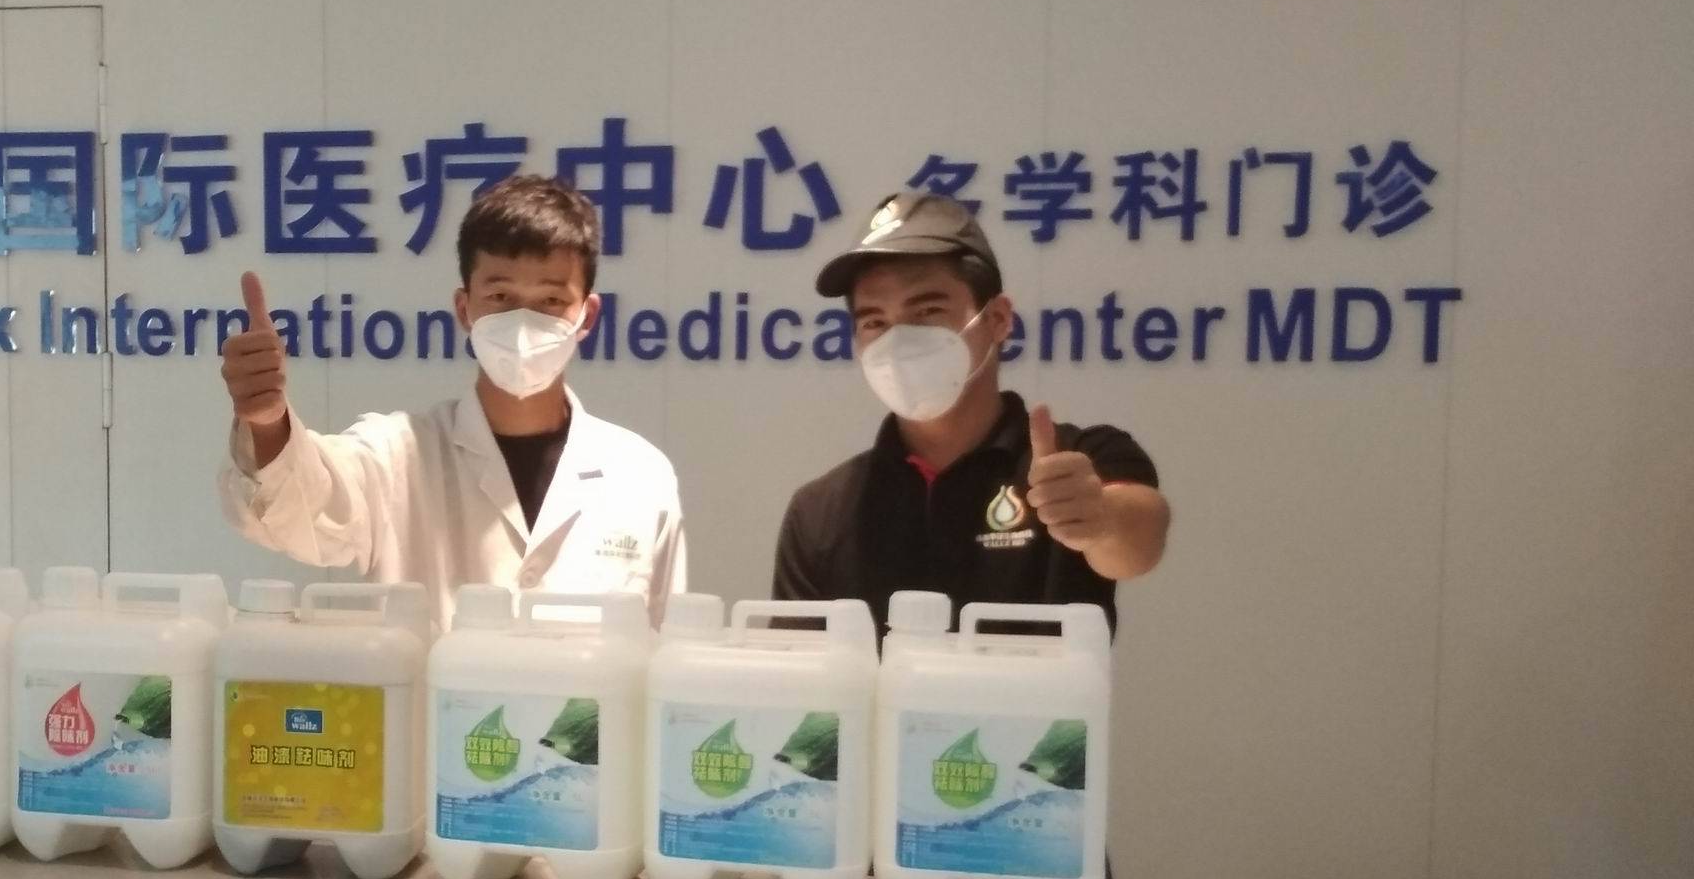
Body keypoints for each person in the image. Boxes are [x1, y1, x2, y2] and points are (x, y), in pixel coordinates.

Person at [219, 174, 687, 625]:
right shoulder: (396, 457)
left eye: (550, 301)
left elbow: (666, 648)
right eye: (500, 295)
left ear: (587, 315)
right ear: (465, 309)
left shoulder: (641, 477)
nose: (523, 323)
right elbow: (303, 511)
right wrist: (267, 423)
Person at [773, 189, 1169, 628]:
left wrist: (1100, 519)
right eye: (874, 321)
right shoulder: (822, 511)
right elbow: (795, 663)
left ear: (998, 319)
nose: (898, 340)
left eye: (927, 310)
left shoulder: (1075, 463)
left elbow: (1139, 543)